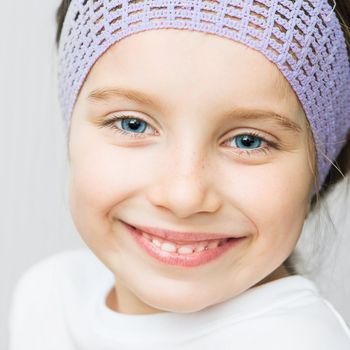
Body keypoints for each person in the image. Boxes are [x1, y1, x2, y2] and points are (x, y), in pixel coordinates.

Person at [8, 0, 350, 349]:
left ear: (318, 169)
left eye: (248, 141)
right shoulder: (51, 298)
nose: (183, 196)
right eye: (133, 123)